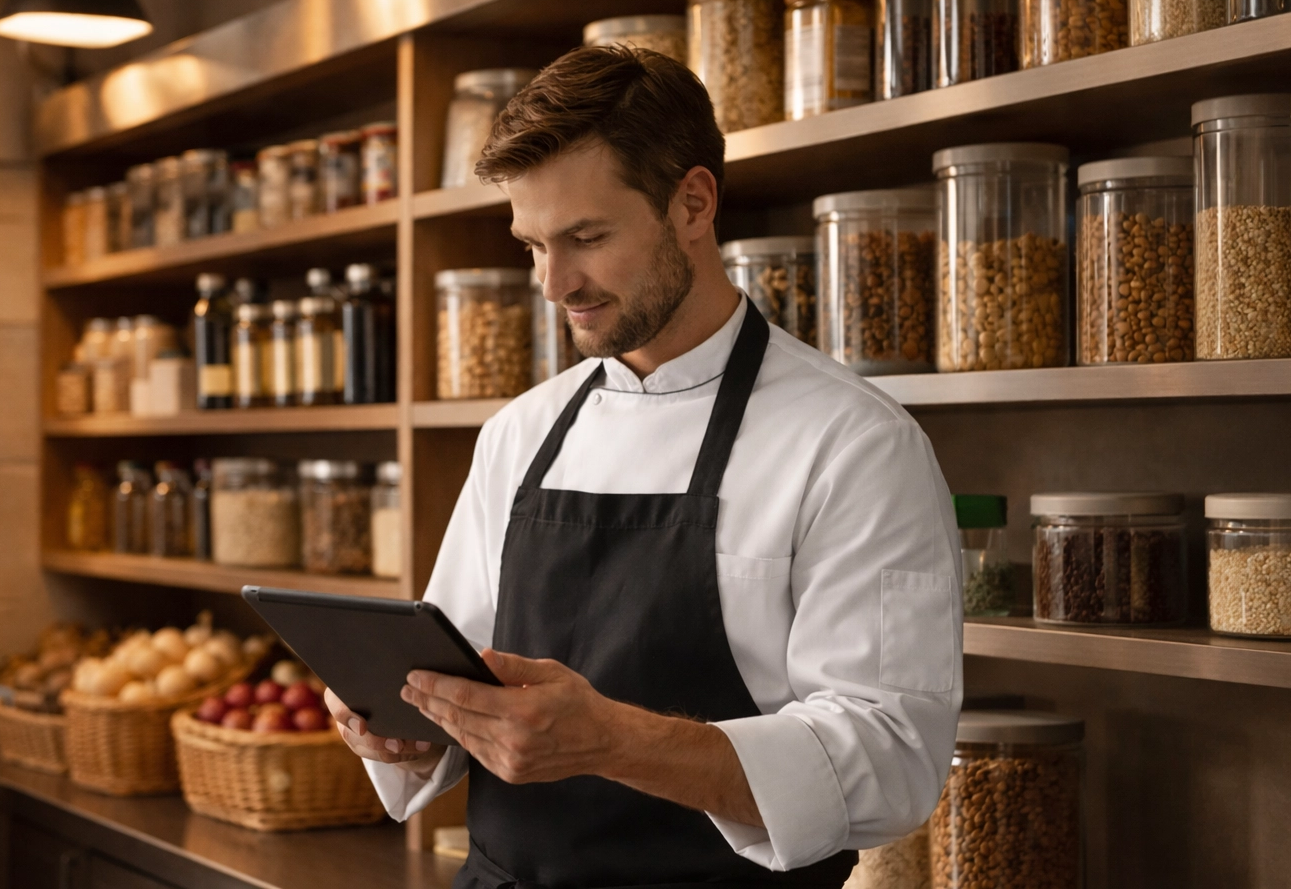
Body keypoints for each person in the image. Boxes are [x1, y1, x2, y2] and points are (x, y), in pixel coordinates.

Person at [326, 45, 962, 889]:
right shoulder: (520, 432)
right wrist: (406, 726)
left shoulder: (852, 443)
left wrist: (614, 740)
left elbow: (891, 758)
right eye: (532, 246)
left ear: (693, 203)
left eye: (586, 237)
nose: (555, 283)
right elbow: (456, 674)